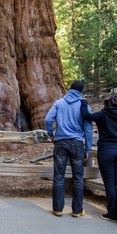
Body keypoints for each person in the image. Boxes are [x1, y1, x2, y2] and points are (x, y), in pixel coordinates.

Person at [81, 93, 117, 226]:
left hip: (106, 152)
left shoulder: (102, 115)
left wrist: (83, 103)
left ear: (106, 104)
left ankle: (112, 213)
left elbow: (87, 116)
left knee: (110, 183)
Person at [45, 80, 93, 217]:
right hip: (77, 143)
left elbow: (48, 119)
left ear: (70, 89)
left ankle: (58, 209)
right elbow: (88, 129)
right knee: (78, 177)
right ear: (81, 91)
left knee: (59, 176)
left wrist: (51, 134)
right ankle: (77, 211)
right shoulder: (84, 106)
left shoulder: (59, 103)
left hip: (60, 142)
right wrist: (88, 148)